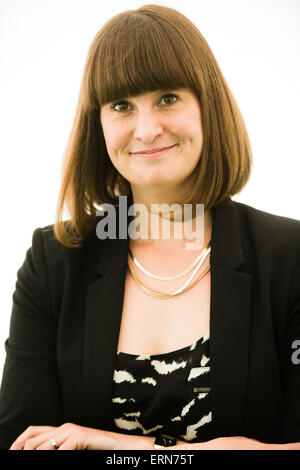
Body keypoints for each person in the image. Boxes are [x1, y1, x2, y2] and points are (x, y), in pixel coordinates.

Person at [0, 4, 300, 451]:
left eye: (167, 98)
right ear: (97, 123)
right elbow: (20, 444)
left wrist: (113, 446)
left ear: (207, 106)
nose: (145, 129)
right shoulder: (54, 261)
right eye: (122, 105)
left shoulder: (291, 257)